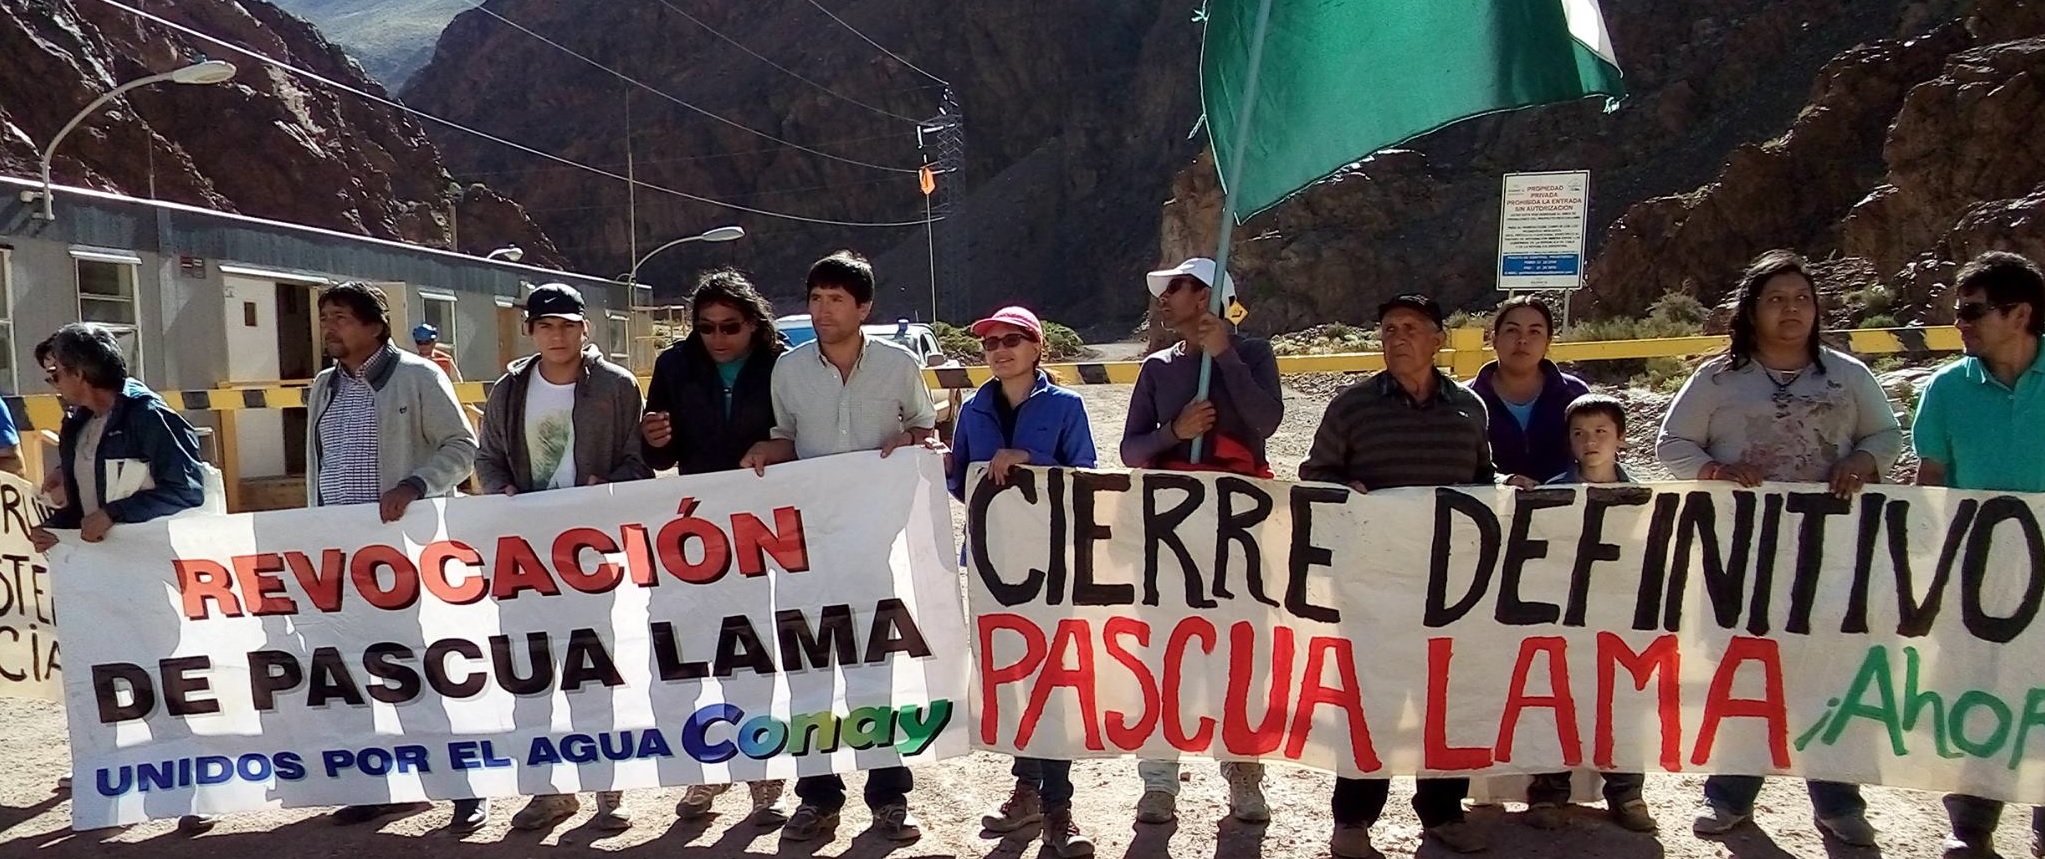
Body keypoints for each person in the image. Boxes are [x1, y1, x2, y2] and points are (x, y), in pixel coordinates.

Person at [1655, 249, 1899, 846]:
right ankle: (1730, 796)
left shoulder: (1848, 376)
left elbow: (1887, 434)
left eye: (1803, 299)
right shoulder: (1717, 380)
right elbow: (1672, 444)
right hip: (1744, 554)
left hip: (1833, 552)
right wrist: (1714, 471)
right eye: (1776, 299)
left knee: (1829, 671)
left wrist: (1863, 460)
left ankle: (1839, 803)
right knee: (1746, 669)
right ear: (1752, 311)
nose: (1792, 309)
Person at [738, 250, 943, 843]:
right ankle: (817, 798)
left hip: (873, 549)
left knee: (871, 674)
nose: (822, 310)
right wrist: (761, 458)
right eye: (815, 297)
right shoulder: (790, 370)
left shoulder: (900, 366)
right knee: (808, 676)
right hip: (805, 547)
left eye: (835, 299)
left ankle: (888, 800)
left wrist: (913, 439)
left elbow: (925, 427)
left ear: (863, 307)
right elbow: (786, 439)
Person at [1298, 293, 1497, 856]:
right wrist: (1346, 491)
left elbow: (1484, 481)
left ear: (1438, 339)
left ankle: (1442, 813)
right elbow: (1316, 476)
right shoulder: (1352, 408)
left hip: (1452, 585)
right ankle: (1353, 821)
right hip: (1375, 583)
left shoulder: (1469, 409)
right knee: (1373, 700)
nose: (1398, 337)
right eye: (1388, 328)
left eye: (1411, 328)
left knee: (1446, 698)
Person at [473, 283, 651, 832]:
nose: (558, 335)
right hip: (523, 555)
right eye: (546, 325)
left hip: (588, 553)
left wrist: (606, 485)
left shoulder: (617, 388)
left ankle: (604, 790)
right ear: (530, 331)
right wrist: (500, 488)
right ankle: (545, 791)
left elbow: (638, 462)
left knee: (590, 669)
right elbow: (488, 456)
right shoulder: (509, 389)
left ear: (584, 330)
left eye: (568, 325)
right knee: (530, 676)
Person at [309, 282, 481, 831]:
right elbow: (321, 464)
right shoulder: (323, 387)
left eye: (340, 318)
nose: (330, 329)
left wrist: (414, 485)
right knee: (362, 666)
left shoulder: (417, 376)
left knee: (425, 664)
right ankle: (385, 784)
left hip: (404, 551)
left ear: (375, 326)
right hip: (340, 553)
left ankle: (463, 787)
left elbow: (461, 445)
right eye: (325, 319)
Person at [1120, 256, 1281, 825]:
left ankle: (1243, 774)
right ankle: (1158, 781)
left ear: (1211, 297)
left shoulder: (1255, 355)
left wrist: (1225, 359)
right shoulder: (1158, 368)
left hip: (1238, 533)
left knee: (1238, 651)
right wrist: (1175, 433)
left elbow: (1265, 422)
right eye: (1165, 288)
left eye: (1180, 287)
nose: (1167, 297)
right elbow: (1131, 450)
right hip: (1168, 533)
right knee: (1164, 650)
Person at [26, 324, 207, 827]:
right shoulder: (77, 421)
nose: (52, 382)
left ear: (81, 372)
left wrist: (118, 515)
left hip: (150, 570)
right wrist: (56, 530)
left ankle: (190, 786)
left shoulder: (149, 416)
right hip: (99, 573)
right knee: (99, 671)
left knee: (162, 671)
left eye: (55, 371)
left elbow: (186, 489)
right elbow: (86, 502)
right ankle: (103, 771)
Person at [639, 268, 793, 826]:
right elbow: (659, 456)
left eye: (730, 326)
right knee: (691, 647)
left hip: (763, 528)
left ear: (754, 322)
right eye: (705, 327)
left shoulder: (783, 364)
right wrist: (654, 439)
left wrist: (776, 446)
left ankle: (760, 770)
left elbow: (800, 439)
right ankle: (701, 774)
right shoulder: (674, 366)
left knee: (751, 649)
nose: (718, 337)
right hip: (696, 530)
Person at [1908, 251, 2045, 859]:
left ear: (2020, 314)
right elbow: (1931, 477)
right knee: (1971, 694)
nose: (1959, 323)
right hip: (1974, 576)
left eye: (1972, 312)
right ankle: (1971, 828)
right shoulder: (1944, 389)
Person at [951, 305, 1097, 857]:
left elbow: (1087, 473)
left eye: (1013, 340)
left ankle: (1061, 806)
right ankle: (1027, 791)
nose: (1000, 350)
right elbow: (958, 478)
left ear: (1037, 347)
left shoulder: (1067, 404)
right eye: (990, 344)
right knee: (1012, 675)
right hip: (992, 565)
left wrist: (1028, 460)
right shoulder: (974, 409)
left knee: (1053, 678)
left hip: (1053, 560)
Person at [1530, 394, 1654, 833]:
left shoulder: (1646, 497)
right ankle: (1548, 791)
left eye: (1601, 431)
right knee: (1555, 699)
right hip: (1563, 615)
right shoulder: (1553, 492)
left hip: (1620, 616)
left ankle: (1626, 791)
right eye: (1580, 433)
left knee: (1622, 703)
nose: (1590, 441)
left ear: (1620, 437)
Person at [1471, 296, 1589, 487]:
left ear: (1548, 342)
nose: (1523, 340)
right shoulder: (1468, 400)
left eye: (1534, 331)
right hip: (1485, 512)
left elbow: (1600, 460)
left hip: (1565, 511)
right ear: (1494, 339)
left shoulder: (1574, 394)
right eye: (1512, 330)